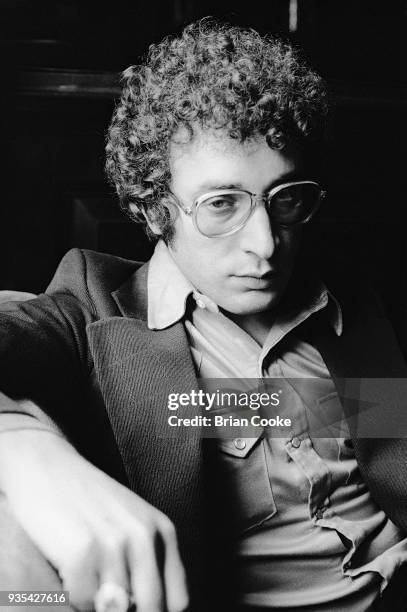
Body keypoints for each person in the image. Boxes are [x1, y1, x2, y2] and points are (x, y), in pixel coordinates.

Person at [0, 17, 407, 612]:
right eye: (222, 204)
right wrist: (20, 446)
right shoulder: (92, 313)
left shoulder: (357, 293)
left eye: (285, 197)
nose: (266, 245)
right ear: (154, 206)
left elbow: (377, 430)